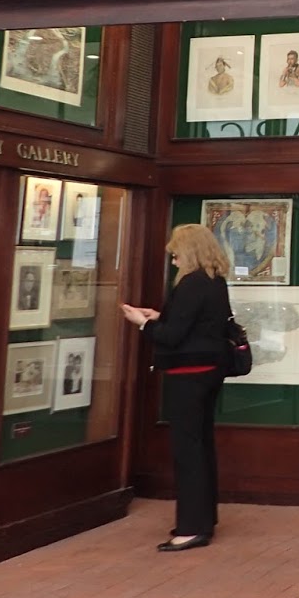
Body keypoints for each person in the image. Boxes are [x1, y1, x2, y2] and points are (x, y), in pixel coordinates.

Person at [122, 223, 233, 552]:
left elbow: (171, 336)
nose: (173, 260)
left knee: (188, 450)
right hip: (210, 372)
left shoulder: (190, 283)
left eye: (176, 253)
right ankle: (204, 519)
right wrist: (158, 315)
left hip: (188, 375)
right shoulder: (215, 282)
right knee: (202, 445)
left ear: (190, 252)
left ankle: (191, 528)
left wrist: (142, 323)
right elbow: (197, 324)